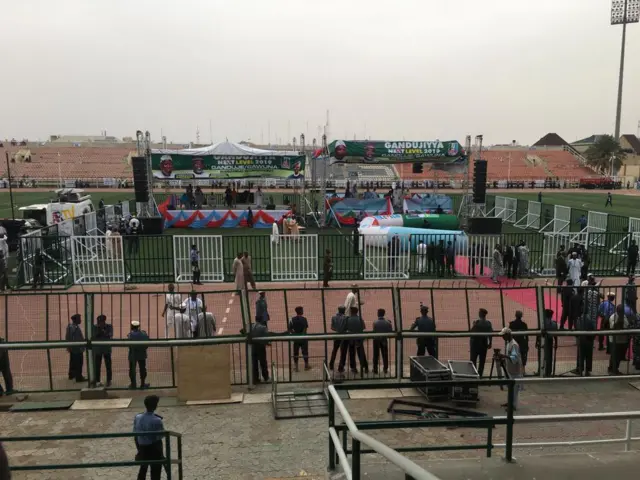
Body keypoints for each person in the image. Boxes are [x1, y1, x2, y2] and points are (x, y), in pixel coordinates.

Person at [133, 395, 166, 480]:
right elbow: (160, 436)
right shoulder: (157, 420)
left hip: (142, 448)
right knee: (155, 471)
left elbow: (135, 434)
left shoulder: (138, 417)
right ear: (155, 406)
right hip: (153, 449)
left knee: (143, 469)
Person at [499, 327, 523, 410]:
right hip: (510, 369)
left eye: (503, 335)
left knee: (514, 389)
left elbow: (514, 357)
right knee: (510, 387)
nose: (502, 337)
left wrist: (504, 356)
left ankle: (513, 405)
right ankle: (510, 402)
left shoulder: (514, 345)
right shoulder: (509, 343)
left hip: (515, 370)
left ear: (507, 335)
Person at [340, 306, 368, 375]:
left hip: (351, 339)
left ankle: (353, 368)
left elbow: (343, 328)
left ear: (351, 312)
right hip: (359, 338)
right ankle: (365, 366)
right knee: (361, 353)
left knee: (352, 353)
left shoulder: (348, 319)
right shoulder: (360, 319)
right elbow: (363, 327)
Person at [469, 308, 493, 377]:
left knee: (473, 360)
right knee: (482, 362)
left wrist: (474, 325)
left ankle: (474, 375)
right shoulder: (488, 323)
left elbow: (472, 332)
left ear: (481, 314)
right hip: (484, 344)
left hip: (475, 344)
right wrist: (490, 343)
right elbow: (490, 334)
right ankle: (480, 376)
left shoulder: (477, 323)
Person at [609, 304, 630, 375]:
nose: (622, 312)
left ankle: (613, 368)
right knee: (615, 355)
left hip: (622, 340)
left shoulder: (624, 316)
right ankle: (613, 369)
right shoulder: (613, 317)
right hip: (615, 340)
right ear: (617, 310)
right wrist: (619, 320)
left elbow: (627, 325)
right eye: (620, 311)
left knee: (618, 356)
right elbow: (613, 326)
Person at [92, 314, 113, 388]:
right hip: (98, 350)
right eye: (99, 322)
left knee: (108, 365)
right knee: (97, 366)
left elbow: (110, 334)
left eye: (101, 322)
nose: (100, 323)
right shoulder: (94, 327)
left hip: (106, 349)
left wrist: (103, 331)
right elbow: (93, 336)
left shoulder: (109, 326)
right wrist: (99, 331)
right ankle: (97, 380)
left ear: (104, 321)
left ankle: (109, 380)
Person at [128, 320, 150, 389]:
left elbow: (129, 346)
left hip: (133, 355)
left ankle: (133, 384)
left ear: (132, 327)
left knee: (132, 369)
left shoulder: (130, 335)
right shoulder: (143, 334)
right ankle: (142, 384)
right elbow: (147, 345)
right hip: (142, 354)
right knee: (143, 369)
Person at [536, 309, 557, 377]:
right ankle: (548, 372)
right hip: (549, 341)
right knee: (549, 358)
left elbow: (538, 332)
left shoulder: (542, 322)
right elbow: (555, 336)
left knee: (541, 357)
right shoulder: (554, 323)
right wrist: (556, 343)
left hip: (542, 340)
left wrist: (537, 341)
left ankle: (540, 371)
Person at [289, 306, 310, 371]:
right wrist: (302, 336)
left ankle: (296, 367)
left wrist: (295, 334)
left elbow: (290, 329)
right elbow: (305, 329)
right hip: (303, 339)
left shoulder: (292, 319)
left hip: (296, 339)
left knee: (295, 352)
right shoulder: (304, 319)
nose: (303, 311)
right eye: (302, 310)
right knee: (305, 352)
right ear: (300, 311)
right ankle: (306, 366)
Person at [249, 317, 269, 383]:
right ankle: (266, 377)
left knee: (254, 364)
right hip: (260, 347)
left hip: (253, 347)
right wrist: (267, 343)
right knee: (263, 363)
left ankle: (255, 379)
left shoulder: (251, 326)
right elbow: (266, 337)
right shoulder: (263, 327)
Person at [66, 314, 85, 383]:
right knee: (79, 363)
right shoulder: (74, 328)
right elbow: (74, 338)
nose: (80, 320)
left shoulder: (70, 326)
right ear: (76, 320)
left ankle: (71, 375)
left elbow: (67, 337)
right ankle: (79, 377)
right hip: (77, 348)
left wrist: (68, 346)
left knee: (72, 362)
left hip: (73, 348)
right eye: (79, 319)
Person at [372, 308, 393, 375]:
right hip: (384, 340)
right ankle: (385, 368)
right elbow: (390, 332)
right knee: (385, 355)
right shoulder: (387, 322)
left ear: (378, 314)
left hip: (376, 340)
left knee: (376, 355)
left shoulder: (375, 322)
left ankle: (375, 369)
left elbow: (374, 331)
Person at [328, 306, 347, 370]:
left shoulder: (334, 317)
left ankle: (331, 364)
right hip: (343, 336)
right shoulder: (345, 318)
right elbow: (346, 327)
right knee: (343, 351)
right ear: (343, 310)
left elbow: (332, 327)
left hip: (336, 335)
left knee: (334, 350)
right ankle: (340, 366)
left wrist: (337, 329)